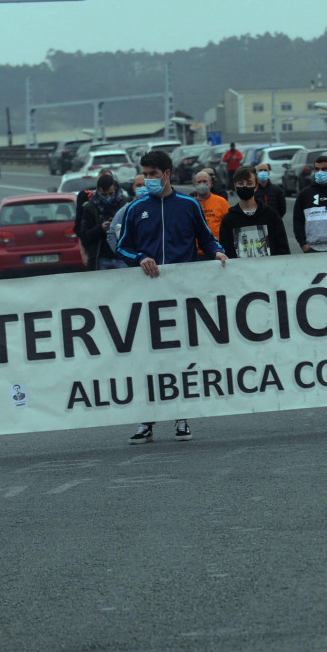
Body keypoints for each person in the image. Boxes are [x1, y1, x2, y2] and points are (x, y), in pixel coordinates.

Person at [116, 150, 228, 443]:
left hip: (182, 296)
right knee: (149, 359)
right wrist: (140, 258)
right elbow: (122, 247)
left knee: (182, 358)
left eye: (153, 174)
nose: (148, 180)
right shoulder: (134, 209)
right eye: (145, 175)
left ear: (166, 174)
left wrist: (216, 250)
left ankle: (182, 418)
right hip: (147, 298)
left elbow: (206, 237)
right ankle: (146, 420)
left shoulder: (189, 205)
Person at [219, 166, 290, 258]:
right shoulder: (228, 220)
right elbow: (226, 252)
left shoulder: (271, 215)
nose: (245, 186)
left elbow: (282, 248)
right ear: (235, 186)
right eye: (240, 183)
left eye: (249, 183)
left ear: (256, 186)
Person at [78, 173, 127, 270]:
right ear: (98, 191)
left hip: (123, 256)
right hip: (101, 258)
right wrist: (101, 228)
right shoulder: (90, 207)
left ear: (115, 189)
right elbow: (84, 235)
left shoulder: (125, 204)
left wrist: (118, 225)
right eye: (104, 195)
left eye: (111, 194)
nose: (108, 197)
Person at [104, 174, 147, 267]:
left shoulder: (160, 206)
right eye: (139, 185)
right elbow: (111, 233)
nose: (142, 188)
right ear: (133, 188)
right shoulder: (127, 209)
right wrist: (126, 257)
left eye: (145, 185)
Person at [192, 168, 229, 256]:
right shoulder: (191, 204)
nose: (202, 184)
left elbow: (228, 225)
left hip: (218, 251)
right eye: (199, 182)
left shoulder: (221, 202)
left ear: (211, 183)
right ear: (195, 184)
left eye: (205, 181)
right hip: (196, 252)